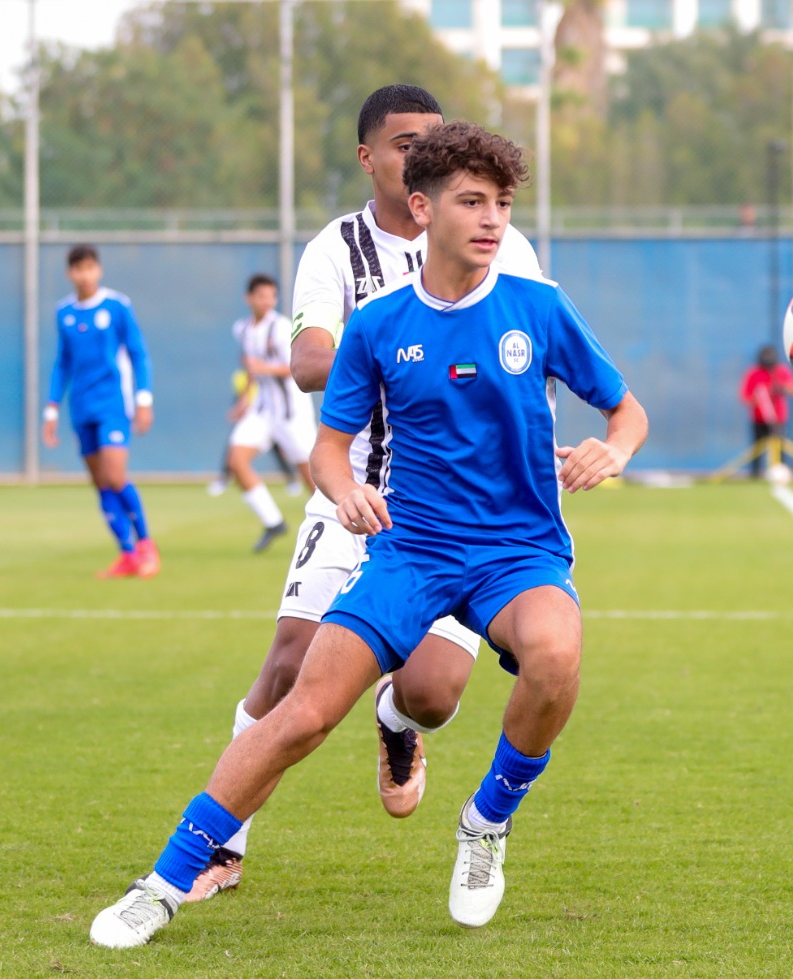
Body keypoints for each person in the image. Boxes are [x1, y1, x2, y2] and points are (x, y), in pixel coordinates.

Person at [89, 119, 647, 947]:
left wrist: (615, 447)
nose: (492, 218)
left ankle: (486, 822)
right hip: (411, 551)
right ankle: (166, 878)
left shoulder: (540, 306)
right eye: (471, 201)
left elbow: (626, 408)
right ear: (422, 208)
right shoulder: (379, 326)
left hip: (518, 550)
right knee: (304, 712)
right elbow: (327, 445)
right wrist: (345, 492)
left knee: (556, 655)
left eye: (500, 202)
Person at [173, 85, 545, 905]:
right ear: (369, 157)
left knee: (434, 693)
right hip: (355, 491)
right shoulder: (335, 250)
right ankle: (220, 845)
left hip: (456, 512)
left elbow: (534, 345)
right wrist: (387, 336)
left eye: (433, 139)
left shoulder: (502, 243)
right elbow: (310, 360)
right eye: (404, 141)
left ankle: (397, 722)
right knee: (288, 663)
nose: (421, 152)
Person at [43, 244, 160, 579]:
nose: (84, 274)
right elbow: (62, 364)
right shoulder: (64, 312)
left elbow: (139, 353)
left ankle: (147, 545)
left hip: (112, 404)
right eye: (78, 269)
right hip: (81, 407)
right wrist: (51, 410)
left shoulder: (117, 306)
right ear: (70, 274)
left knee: (115, 475)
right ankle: (126, 554)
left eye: (90, 267)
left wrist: (144, 400)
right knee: (100, 483)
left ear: (99, 270)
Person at [223, 273, 317, 552]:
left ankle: (341, 528)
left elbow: (295, 367)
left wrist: (263, 369)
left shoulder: (281, 326)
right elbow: (251, 368)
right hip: (262, 411)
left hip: (291, 413)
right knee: (236, 461)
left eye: (272, 296)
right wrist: (243, 400)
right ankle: (273, 521)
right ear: (248, 298)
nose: (267, 301)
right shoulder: (242, 329)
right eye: (261, 295)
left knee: (314, 477)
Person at [207, 369, 302, 499]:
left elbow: (288, 371)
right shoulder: (241, 376)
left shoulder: (267, 370)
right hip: (254, 418)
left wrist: (263, 366)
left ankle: (292, 481)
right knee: (234, 454)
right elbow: (243, 396)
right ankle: (223, 480)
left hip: (278, 418)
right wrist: (241, 406)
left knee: (289, 454)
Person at [739, 344, 793, 478]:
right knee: (757, 449)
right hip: (759, 419)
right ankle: (755, 475)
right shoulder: (753, 373)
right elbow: (745, 397)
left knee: (780, 447)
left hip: (778, 419)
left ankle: (781, 472)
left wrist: (781, 389)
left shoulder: (780, 371)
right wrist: (760, 396)